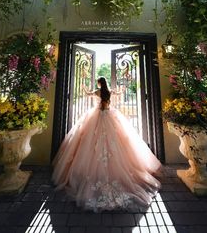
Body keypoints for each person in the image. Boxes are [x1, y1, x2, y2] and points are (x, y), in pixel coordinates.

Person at [52, 76, 162, 212]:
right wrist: (123, 88)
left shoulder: (98, 92)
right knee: (117, 142)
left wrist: (84, 88)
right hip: (109, 116)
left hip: (97, 117)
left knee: (90, 143)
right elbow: (119, 93)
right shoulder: (108, 91)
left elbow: (87, 94)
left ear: (99, 83)